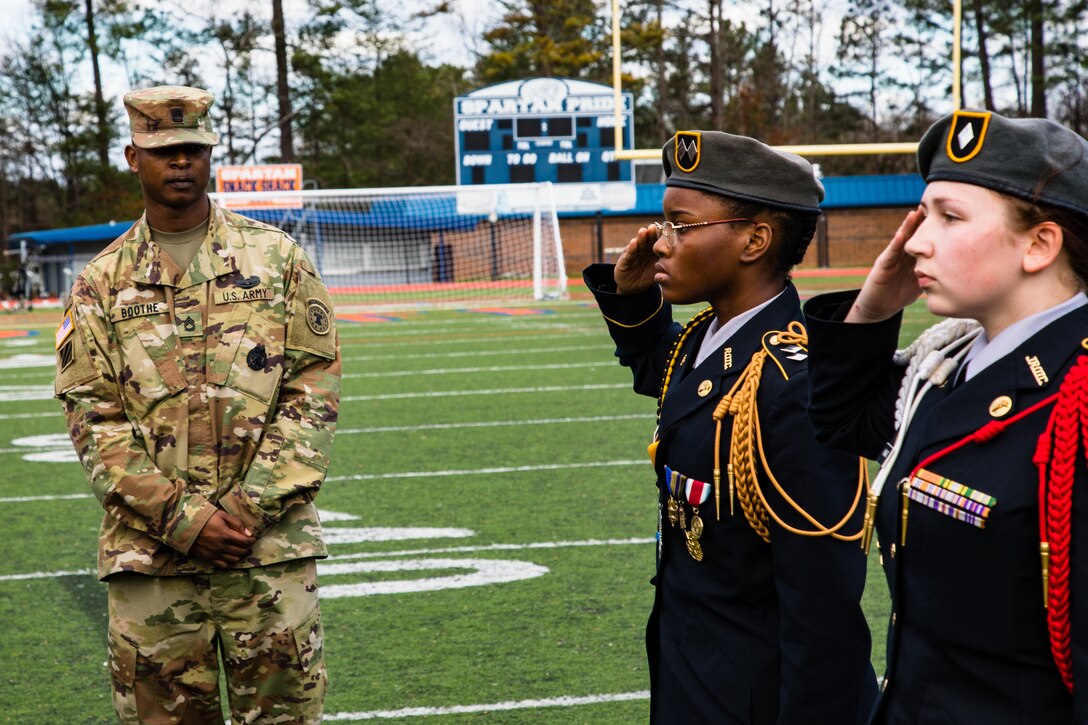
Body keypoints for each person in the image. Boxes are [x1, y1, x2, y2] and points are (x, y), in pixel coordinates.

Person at [53, 85, 341, 723]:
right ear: (133, 157)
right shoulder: (99, 283)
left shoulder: (278, 259)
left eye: (192, 148)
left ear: (210, 153)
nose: (179, 161)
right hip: (152, 565)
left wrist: (243, 511)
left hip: (265, 553)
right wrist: (184, 520)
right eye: (163, 150)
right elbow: (92, 417)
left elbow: (312, 389)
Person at [583, 130, 878, 724]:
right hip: (694, 672)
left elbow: (821, 613)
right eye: (661, 223)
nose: (660, 243)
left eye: (680, 225)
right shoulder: (707, 338)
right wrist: (634, 295)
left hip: (752, 695)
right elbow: (666, 373)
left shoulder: (795, 386)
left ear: (754, 240)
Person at [804, 110, 1088, 723]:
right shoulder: (951, 363)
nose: (913, 241)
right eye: (922, 214)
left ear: (1039, 244)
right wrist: (874, 305)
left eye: (950, 217)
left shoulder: (1079, 398)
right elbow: (842, 420)